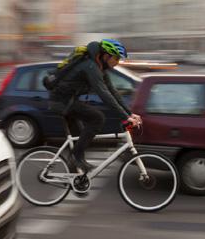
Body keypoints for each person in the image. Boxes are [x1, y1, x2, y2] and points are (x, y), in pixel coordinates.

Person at [49, 38, 142, 173]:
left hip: (67, 100)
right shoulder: (90, 67)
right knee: (97, 118)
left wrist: (129, 113)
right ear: (106, 56)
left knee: (81, 137)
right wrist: (124, 116)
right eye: (116, 58)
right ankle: (76, 159)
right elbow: (104, 94)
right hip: (62, 102)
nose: (117, 62)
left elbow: (113, 92)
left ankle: (75, 173)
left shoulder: (99, 68)